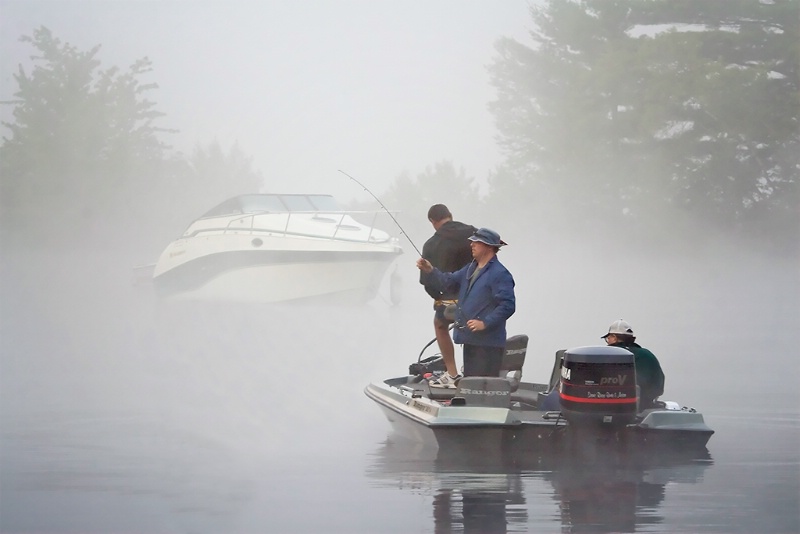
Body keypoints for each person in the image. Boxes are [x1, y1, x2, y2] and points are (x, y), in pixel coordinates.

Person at [416, 227, 516, 387]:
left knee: (482, 389)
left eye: (476, 242)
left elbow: (508, 305)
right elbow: (448, 281)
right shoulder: (471, 268)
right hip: (471, 341)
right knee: (471, 386)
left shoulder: (500, 274)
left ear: (489, 246)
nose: (471, 244)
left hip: (488, 345)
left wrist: (485, 323)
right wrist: (430, 270)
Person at [419, 204, 476, 383]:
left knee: (440, 325)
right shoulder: (474, 233)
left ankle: (452, 373)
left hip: (449, 301)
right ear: (450, 215)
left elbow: (427, 281)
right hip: (477, 299)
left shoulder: (430, 244)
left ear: (432, 222)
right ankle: (473, 371)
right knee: (473, 328)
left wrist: (437, 297)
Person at [602, 319, 665, 409]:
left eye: (608, 338)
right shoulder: (647, 355)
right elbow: (659, 384)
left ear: (614, 337)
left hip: (609, 408)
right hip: (644, 408)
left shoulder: (605, 355)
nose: (607, 341)